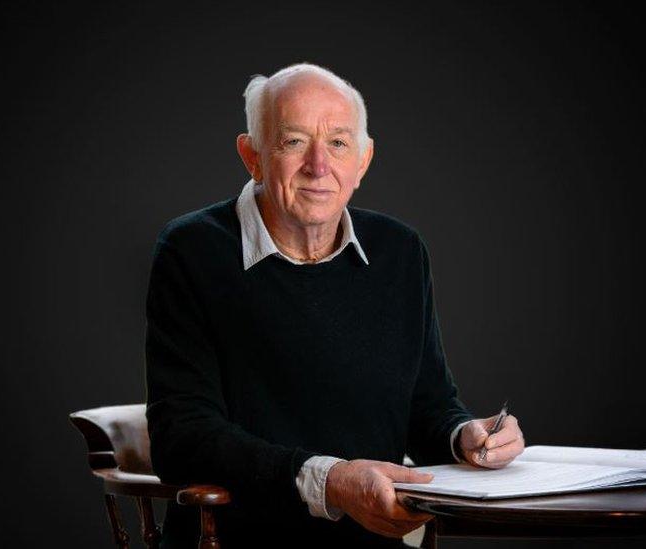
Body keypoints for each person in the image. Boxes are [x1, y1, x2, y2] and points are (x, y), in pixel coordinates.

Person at [144, 62, 525, 548]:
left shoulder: (400, 251)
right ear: (252, 156)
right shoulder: (192, 250)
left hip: (371, 540)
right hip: (235, 540)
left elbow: (426, 405)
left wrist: (465, 435)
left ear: (363, 162)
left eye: (339, 144)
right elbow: (183, 438)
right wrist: (330, 482)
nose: (319, 166)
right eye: (294, 141)